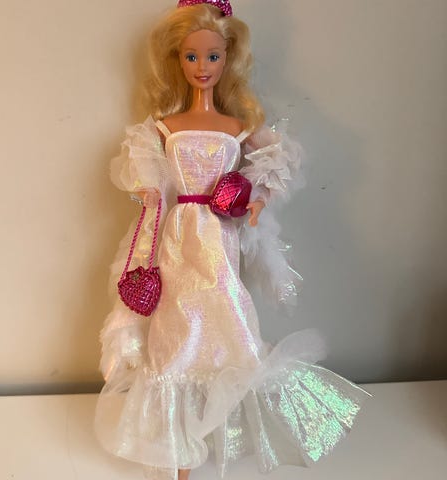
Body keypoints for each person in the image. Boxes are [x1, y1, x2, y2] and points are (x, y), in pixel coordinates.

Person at [95, 2, 369, 480]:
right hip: (178, 236)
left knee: (229, 324)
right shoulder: (163, 127)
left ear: (229, 58)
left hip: (219, 236)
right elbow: (151, 190)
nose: (202, 67)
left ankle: (212, 430)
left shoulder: (238, 127)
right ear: (177, 60)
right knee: (175, 332)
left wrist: (255, 198)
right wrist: (149, 203)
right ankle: (176, 448)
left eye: (213, 56)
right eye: (192, 56)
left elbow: (279, 159)